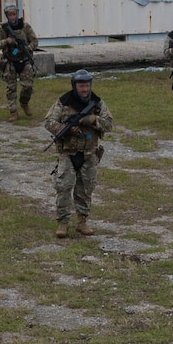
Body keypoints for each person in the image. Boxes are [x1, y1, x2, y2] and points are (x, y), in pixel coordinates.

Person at [44, 69, 113, 238]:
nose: (84, 89)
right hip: (68, 153)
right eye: (81, 86)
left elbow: (108, 124)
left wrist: (94, 120)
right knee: (63, 187)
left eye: (87, 86)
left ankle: (82, 222)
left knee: (86, 188)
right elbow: (49, 122)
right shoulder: (63, 102)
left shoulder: (97, 103)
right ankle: (63, 223)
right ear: (75, 86)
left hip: (89, 153)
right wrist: (67, 130)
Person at [0, 3, 40, 120]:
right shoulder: (2, 29)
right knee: (11, 88)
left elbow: (35, 42)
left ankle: (24, 103)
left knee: (28, 86)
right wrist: (6, 41)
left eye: (14, 14)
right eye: (10, 15)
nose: (12, 17)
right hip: (10, 61)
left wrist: (27, 49)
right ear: (7, 16)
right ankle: (13, 112)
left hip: (25, 60)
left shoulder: (25, 27)